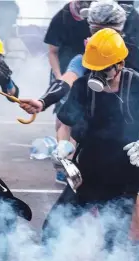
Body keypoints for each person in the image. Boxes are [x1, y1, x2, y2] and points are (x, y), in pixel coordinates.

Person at [19, 0, 139, 256]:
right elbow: (66, 83)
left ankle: (138, 259)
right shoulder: (86, 65)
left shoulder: (135, 63)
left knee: (123, 222)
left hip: (124, 160)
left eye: (101, 29)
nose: (95, 35)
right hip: (89, 162)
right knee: (57, 224)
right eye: (92, 29)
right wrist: (44, 105)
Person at [44, 0, 92, 184]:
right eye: (82, 1)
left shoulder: (95, 16)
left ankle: (76, 160)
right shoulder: (61, 18)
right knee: (63, 119)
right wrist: (59, 76)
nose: (85, 4)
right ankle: (64, 165)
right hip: (65, 73)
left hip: (89, 73)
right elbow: (52, 52)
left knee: (82, 120)